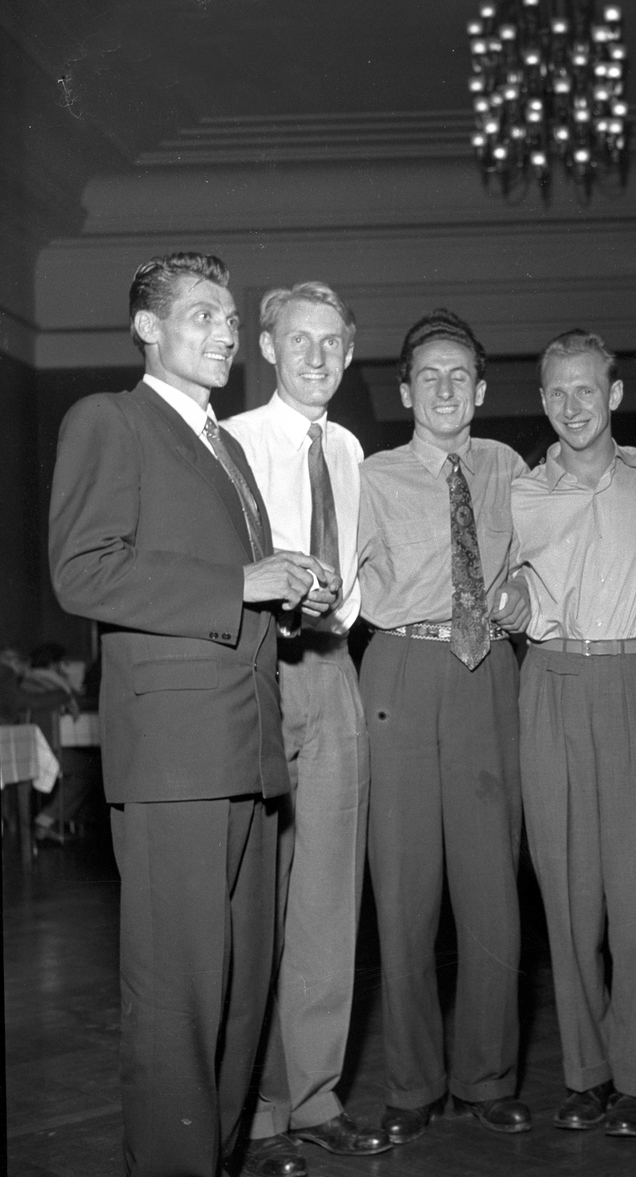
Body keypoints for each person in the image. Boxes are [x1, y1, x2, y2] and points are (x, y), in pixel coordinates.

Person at [48, 252, 338, 1177]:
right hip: (175, 758)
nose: (223, 333)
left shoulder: (223, 445)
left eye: (228, 318)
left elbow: (234, 585)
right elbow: (81, 569)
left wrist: (286, 587)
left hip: (248, 751)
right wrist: (239, 582)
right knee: (177, 996)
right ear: (147, 328)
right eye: (203, 316)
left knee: (241, 991)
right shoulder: (110, 419)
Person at [223, 283, 390, 1176]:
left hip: (333, 670)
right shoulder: (234, 441)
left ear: (350, 348)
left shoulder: (353, 447)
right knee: (259, 894)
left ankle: (317, 1095)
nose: (316, 357)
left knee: (328, 894)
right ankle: (256, 1106)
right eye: (299, 340)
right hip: (256, 672)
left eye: (331, 341)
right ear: (267, 344)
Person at [357, 308, 532, 1145]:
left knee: (493, 883)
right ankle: (414, 1081)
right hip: (398, 665)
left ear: (483, 388)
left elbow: (542, 559)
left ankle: (489, 1075)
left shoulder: (508, 466)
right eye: (428, 375)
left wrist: (528, 595)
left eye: (460, 374)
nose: (445, 388)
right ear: (404, 391)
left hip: (487, 671)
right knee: (404, 888)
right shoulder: (372, 473)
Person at [512, 329, 636, 1137]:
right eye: (557, 392)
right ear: (542, 400)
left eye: (588, 389)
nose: (573, 406)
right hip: (548, 678)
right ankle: (586, 1072)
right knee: (567, 888)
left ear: (613, 395)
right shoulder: (518, 493)